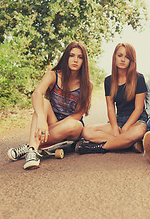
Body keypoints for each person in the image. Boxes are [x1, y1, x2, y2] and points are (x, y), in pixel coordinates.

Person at [7, 42, 92, 170]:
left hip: (71, 129)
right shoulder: (53, 75)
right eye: (72, 55)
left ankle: (31, 145)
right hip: (50, 121)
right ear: (66, 57)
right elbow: (36, 93)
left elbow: (77, 115)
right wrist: (41, 119)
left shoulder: (87, 85)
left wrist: (48, 127)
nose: (75, 60)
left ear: (84, 61)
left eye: (80, 57)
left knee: (75, 124)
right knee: (43, 102)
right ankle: (32, 152)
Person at [76, 43, 147, 154]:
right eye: (120, 55)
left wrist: (126, 127)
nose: (123, 59)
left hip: (136, 121)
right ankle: (128, 143)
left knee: (138, 131)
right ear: (114, 57)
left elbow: (139, 108)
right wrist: (114, 127)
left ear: (131, 60)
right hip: (118, 121)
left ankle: (100, 147)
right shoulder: (109, 81)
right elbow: (110, 107)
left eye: (127, 57)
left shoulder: (139, 78)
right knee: (86, 131)